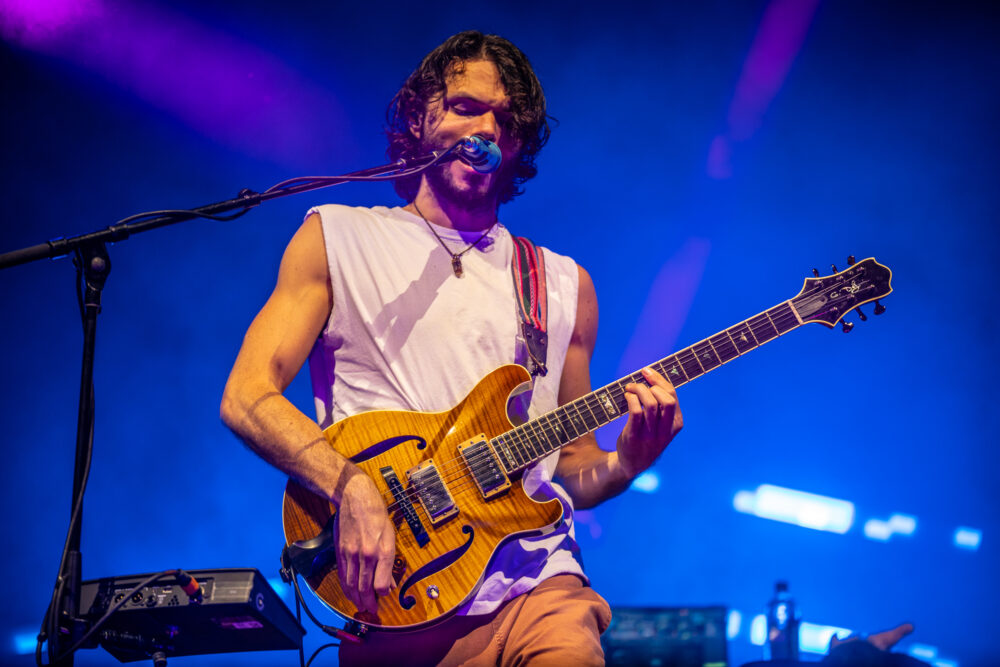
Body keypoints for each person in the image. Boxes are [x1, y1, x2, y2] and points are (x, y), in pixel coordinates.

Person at [221, 30, 682, 666]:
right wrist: (349, 485)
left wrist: (627, 461)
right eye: (467, 107)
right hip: (396, 593)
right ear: (419, 117)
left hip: (536, 590)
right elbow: (247, 396)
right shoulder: (338, 237)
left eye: (507, 121)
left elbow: (573, 469)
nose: (487, 129)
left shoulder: (562, 283)